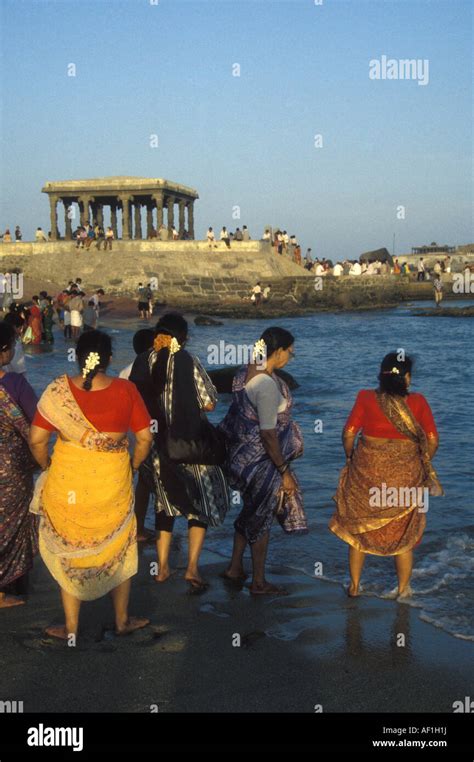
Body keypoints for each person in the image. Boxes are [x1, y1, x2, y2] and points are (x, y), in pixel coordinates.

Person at [28, 330, 153, 638]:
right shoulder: (126, 390)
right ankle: (122, 621)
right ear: (108, 358)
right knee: (119, 547)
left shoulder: (58, 391)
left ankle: (71, 627)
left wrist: (47, 466)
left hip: (68, 480)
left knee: (71, 549)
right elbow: (146, 438)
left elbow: (37, 440)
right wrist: (134, 465)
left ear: (78, 356)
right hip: (113, 482)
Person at [329, 352, 442, 598]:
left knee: (358, 531)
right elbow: (433, 440)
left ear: (380, 375)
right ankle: (403, 590)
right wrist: (422, 462)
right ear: (407, 378)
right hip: (405, 478)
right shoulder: (419, 402)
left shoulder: (365, 397)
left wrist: (349, 458)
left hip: (366, 475)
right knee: (404, 535)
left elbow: (349, 433)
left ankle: (355, 586)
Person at [136, 313, 229, 590]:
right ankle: (191, 569)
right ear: (184, 338)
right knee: (197, 506)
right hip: (191, 446)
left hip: (156, 447)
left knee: (164, 505)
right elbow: (210, 402)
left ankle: (162, 569)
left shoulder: (143, 360)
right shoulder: (188, 361)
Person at [219, 328, 306, 594]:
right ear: (278, 352)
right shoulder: (267, 386)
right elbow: (268, 435)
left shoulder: (246, 372)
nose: (290, 358)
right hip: (263, 463)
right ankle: (258, 582)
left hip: (242, 457)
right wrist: (284, 471)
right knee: (261, 518)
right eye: (290, 352)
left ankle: (235, 567)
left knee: (249, 510)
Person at [0, 322, 39, 607]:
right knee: (11, 527)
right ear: (3, 351)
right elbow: (39, 426)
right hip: (11, 470)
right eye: (12, 345)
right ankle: (5, 590)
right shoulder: (14, 384)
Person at [120, 329, 155, 541]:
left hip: (129, 435)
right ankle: (140, 528)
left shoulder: (125, 372)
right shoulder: (156, 369)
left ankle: (130, 527)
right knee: (146, 482)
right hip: (148, 434)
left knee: (132, 482)